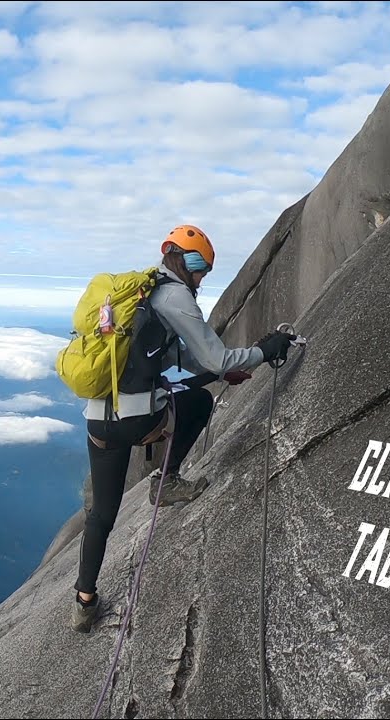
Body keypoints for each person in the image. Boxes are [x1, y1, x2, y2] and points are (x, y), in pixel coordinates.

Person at [70, 224, 296, 633]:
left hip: (99, 421)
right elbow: (216, 357)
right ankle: (166, 481)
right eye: (203, 269)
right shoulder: (176, 296)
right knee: (198, 402)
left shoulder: (139, 292)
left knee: (101, 514)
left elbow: (173, 362)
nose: (204, 278)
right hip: (139, 420)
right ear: (190, 263)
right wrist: (264, 351)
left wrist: (219, 374)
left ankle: (84, 603)